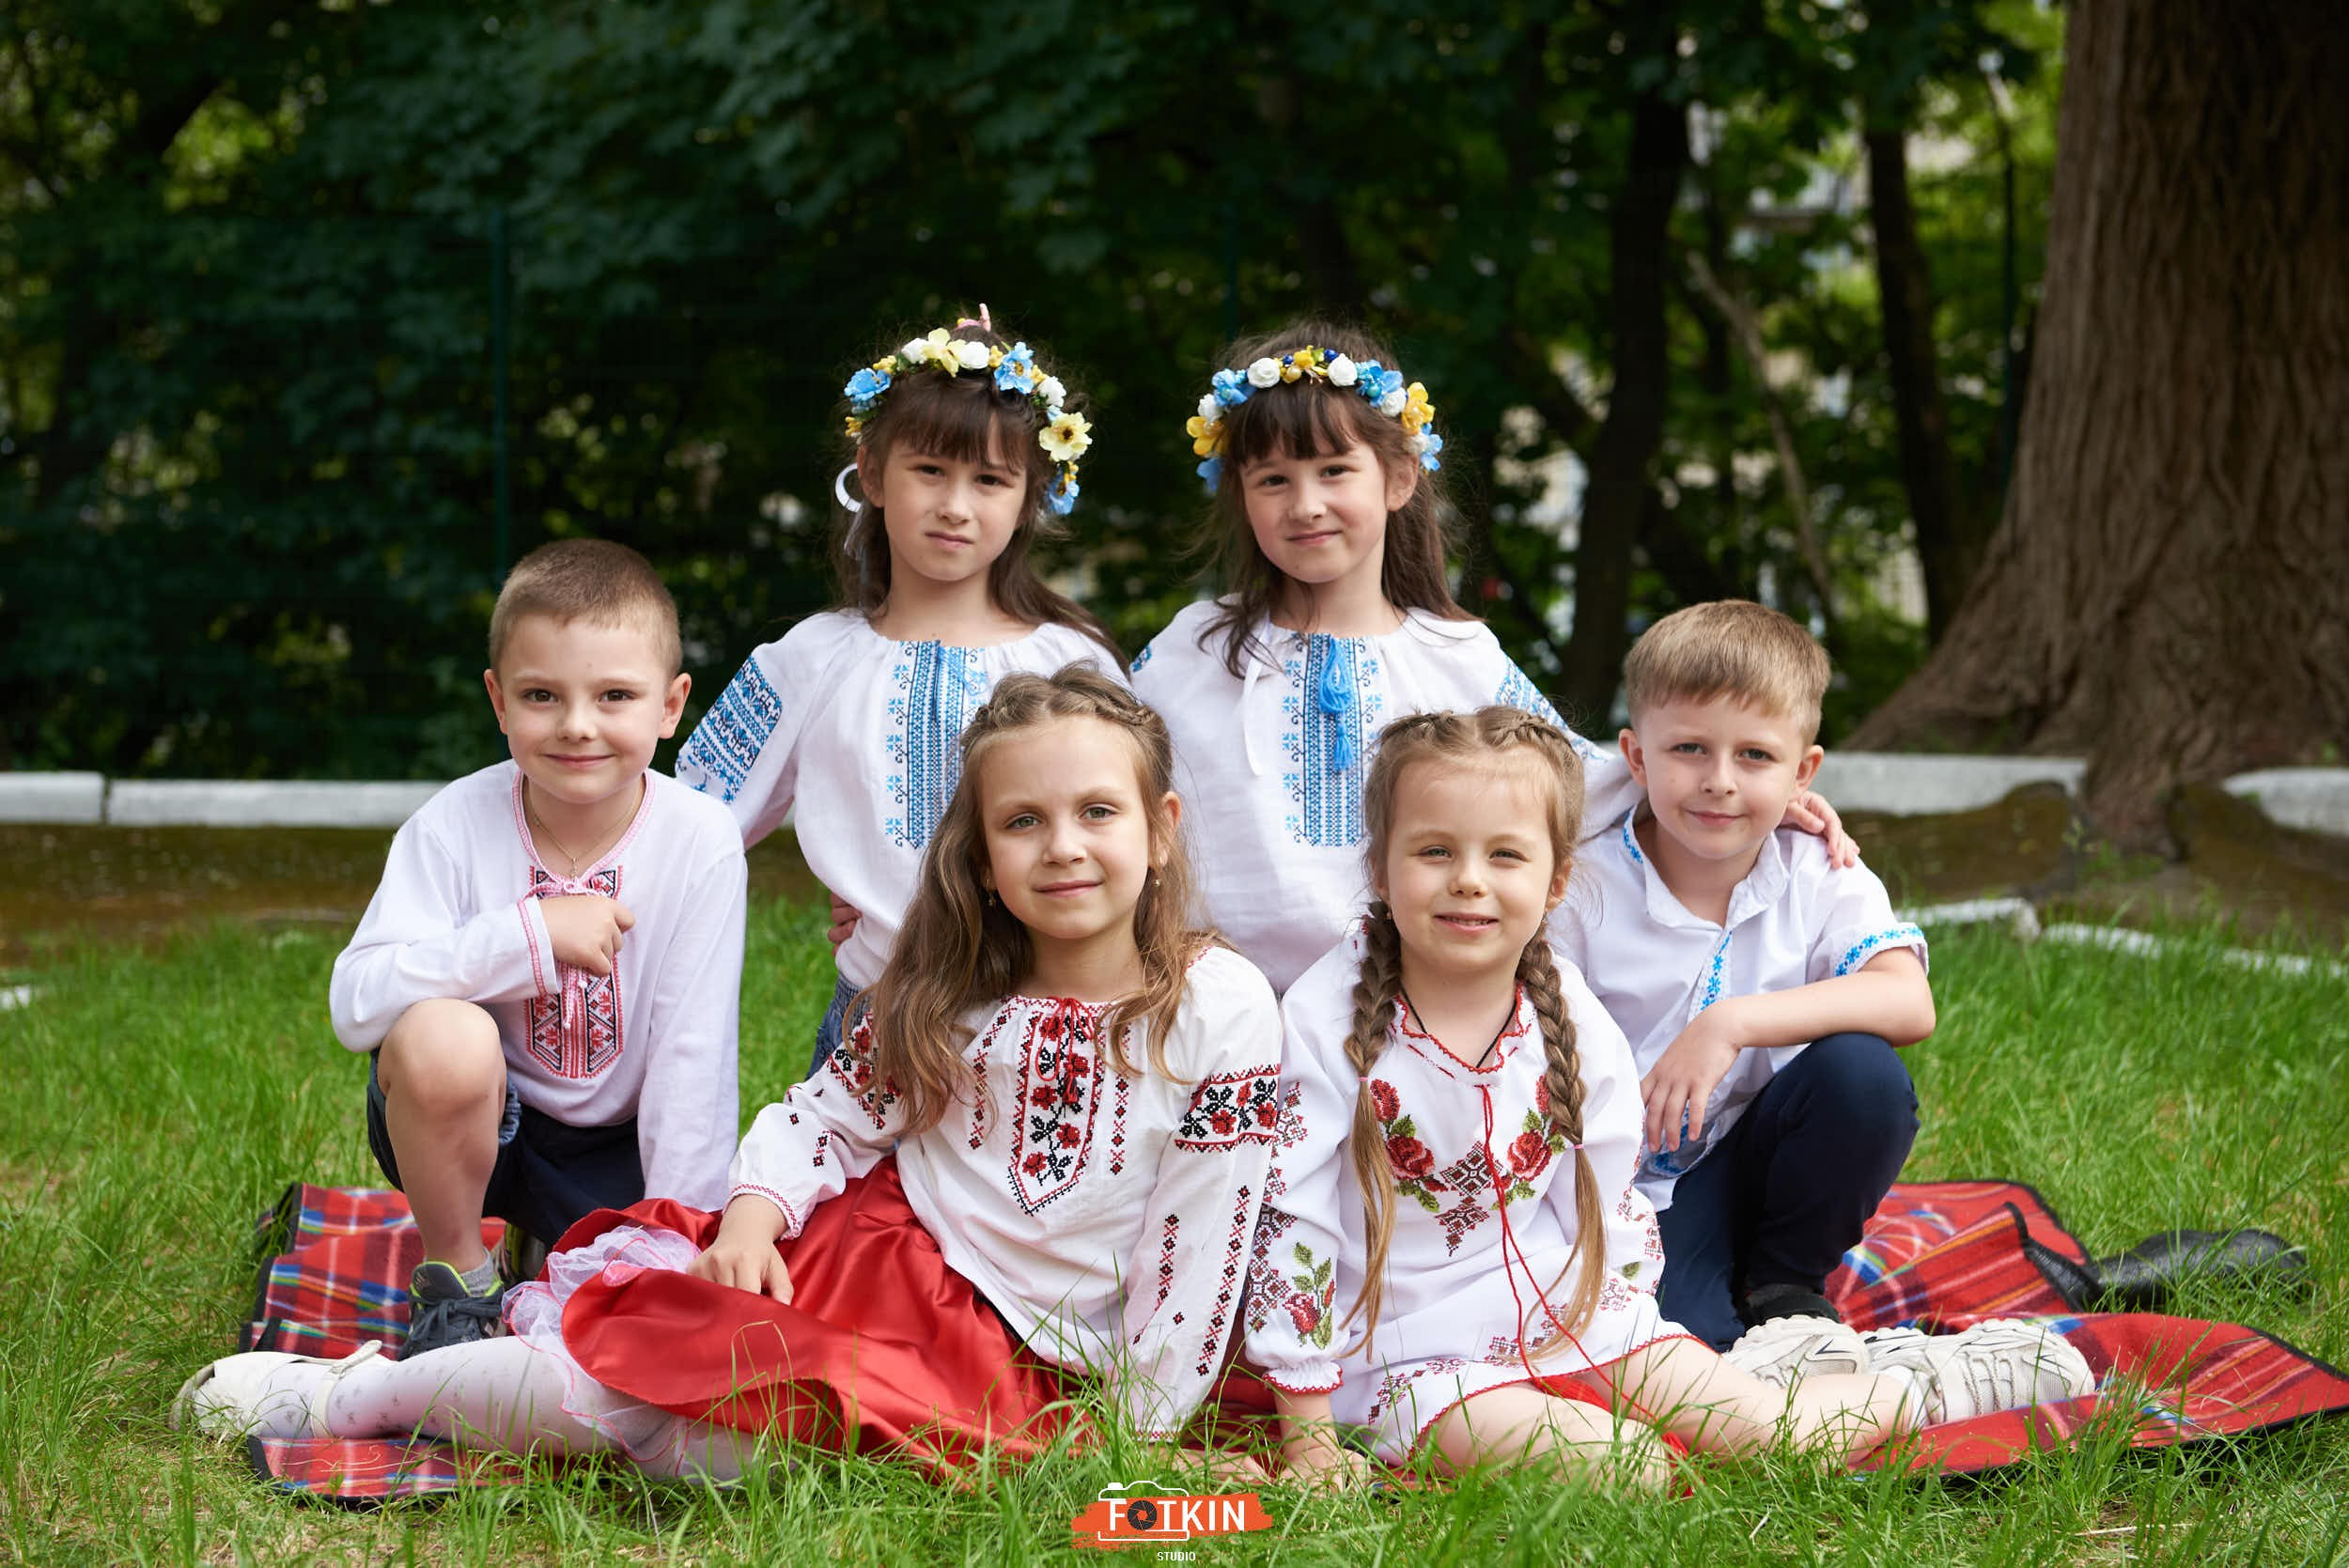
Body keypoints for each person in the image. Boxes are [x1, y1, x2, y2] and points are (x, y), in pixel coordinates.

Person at [183, 668, 1285, 1480]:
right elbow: (830, 1114)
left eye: (1098, 812)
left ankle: (493, 1402)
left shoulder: (1218, 1005)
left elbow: (1200, 1247)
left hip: (1056, 1360)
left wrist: (1142, 1446)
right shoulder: (952, 982)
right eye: (1023, 822)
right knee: (627, 1382)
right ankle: (351, 1393)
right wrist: (755, 1214)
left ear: (1160, 824)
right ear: (984, 859)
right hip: (883, 1272)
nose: (1064, 847)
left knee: (729, 1458)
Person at [1244, 707, 2091, 1489]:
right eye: (1434, 852)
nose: (1469, 880)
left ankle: (1922, 1381)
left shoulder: (1564, 1008)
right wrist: (1310, 1435)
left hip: (1571, 1313)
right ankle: (1723, 1392)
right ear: (1380, 869)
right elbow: (1297, 1225)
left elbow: (1607, 1185)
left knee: (1771, 1434)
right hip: (1410, 1359)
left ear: (1556, 882)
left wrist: (1630, 1336)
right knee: (1634, 1470)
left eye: (1505, 855)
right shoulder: (1328, 1021)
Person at [1128, 323, 1842, 994]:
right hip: (1218, 995)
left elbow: (1572, 781)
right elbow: (1101, 770)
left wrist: (1766, 796)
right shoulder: (1192, 652)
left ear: (1400, 479)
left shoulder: (1455, 652)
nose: (1305, 503)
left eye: (1335, 469)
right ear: (1241, 494)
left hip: (1414, 993)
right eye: (1273, 480)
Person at [328, 540, 746, 1358]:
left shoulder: (701, 841)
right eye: (542, 695)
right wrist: (527, 938)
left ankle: (552, 1243)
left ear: (671, 704)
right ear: (498, 700)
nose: (578, 724)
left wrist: (677, 1236)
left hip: (620, 1146)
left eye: (615, 694)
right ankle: (459, 1277)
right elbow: (356, 1003)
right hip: (484, 1126)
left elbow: (693, 1058)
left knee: (623, 1320)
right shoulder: (450, 825)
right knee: (444, 1037)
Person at [675, 315, 1126, 1072]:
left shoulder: (1074, 660)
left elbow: (1137, 841)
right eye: (930, 471)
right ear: (873, 474)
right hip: (872, 1023)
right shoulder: (811, 658)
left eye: (989, 480)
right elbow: (686, 823)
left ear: (1030, 497)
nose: (956, 505)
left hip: (1053, 1028)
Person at [1549, 601, 1930, 1366]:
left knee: (1863, 1075)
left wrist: (1730, 1022)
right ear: (1635, 755)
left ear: (1804, 772)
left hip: (1755, 1153)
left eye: (1755, 755)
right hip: (1611, 1178)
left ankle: (1784, 1280)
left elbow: (1907, 998)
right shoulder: (1581, 881)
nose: (1719, 781)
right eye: (1689, 747)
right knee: (1679, 1346)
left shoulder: (1819, 870)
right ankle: (1708, 1290)